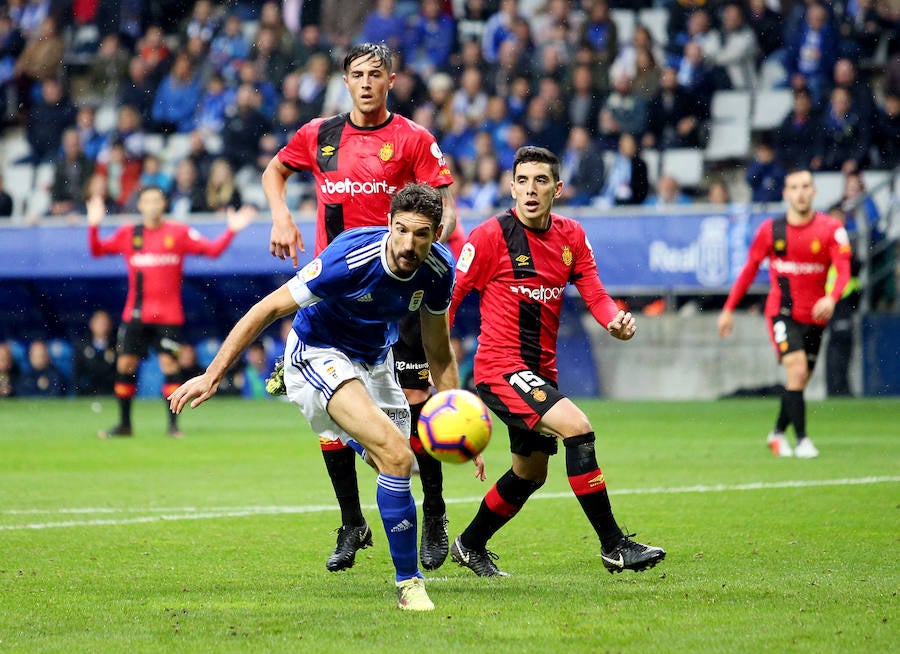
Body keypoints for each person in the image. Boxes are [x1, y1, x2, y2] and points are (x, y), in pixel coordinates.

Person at [168, 183, 466, 611]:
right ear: (388, 224)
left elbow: (438, 350)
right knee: (397, 455)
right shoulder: (350, 258)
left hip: (375, 358)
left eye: (421, 234)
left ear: (437, 233)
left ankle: (347, 433)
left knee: (403, 464)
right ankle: (409, 586)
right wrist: (213, 375)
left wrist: (453, 413)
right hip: (319, 349)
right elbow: (268, 308)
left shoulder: (438, 270)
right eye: (401, 230)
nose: (408, 243)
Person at [262, 42, 459, 574]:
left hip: (403, 285)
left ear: (391, 81)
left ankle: (435, 512)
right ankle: (352, 520)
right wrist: (281, 216)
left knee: (419, 397)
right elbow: (274, 172)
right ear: (345, 81)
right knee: (332, 415)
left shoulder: (413, 139)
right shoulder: (319, 135)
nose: (367, 82)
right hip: (341, 286)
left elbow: (444, 200)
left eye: (376, 74)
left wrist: (433, 250)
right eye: (357, 74)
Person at [447, 146, 666, 577]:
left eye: (541, 181)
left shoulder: (571, 236)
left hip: (539, 372)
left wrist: (614, 322)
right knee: (579, 430)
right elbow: (450, 300)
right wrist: (438, 366)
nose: (531, 190)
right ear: (511, 187)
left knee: (529, 474)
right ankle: (614, 545)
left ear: (557, 189)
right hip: (498, 369)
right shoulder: (490, 237)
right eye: (523, 181)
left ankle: (469, 544)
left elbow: (596, 294)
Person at [87, 185, 255, 439]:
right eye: (147, 201)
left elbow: (213, 251)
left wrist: (231, 230)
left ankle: (174, 426)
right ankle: (124, 424)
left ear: (163, 204)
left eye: (157, 200)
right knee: (125, 364)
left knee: (169, 366)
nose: (153, 205)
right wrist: (94, 225)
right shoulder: (129, 234)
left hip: (169, 317)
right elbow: (97, 250)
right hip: (135, 315)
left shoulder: (178, 232)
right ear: (140, 205)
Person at [717, 169, 852, 458]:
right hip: (782, 313)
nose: (801, 192)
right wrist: (728, 309)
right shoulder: (770, 230)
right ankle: (802, 440)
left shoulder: (831, 229)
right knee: (798, 369)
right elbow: (749, 270)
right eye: (795, 187)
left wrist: (831, 297)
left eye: (806, 186)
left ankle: (777, 433)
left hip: (816, 316)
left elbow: (843, 270)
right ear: (786, 193)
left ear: (814, 192)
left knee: (798, 380)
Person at [72, 309, 117, 396]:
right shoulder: (82, 347)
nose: (103, 327)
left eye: (105, 324)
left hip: (110, 393)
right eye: (100, 324)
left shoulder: (116, 347)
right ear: (92, 325)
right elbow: (77, 373)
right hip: (87, 393)